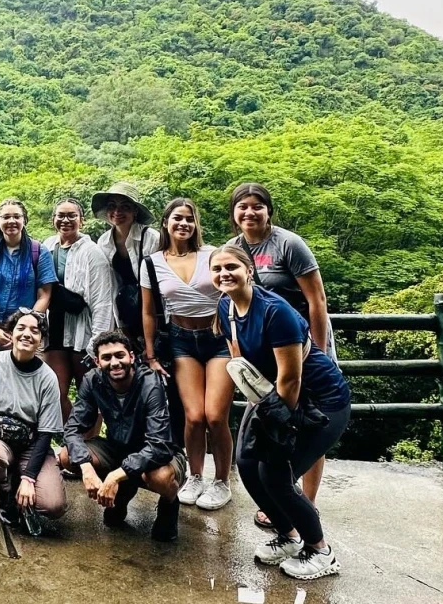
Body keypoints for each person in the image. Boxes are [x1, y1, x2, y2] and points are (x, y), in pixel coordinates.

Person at [211, 245, 351, 580]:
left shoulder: (276, 312)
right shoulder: (226, 306)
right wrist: (258, 409)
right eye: (217, 269)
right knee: (247, 463)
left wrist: (273, 428)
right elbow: (241, 362)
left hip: (321, 402)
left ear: (249, 271)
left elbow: (291, 379)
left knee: (275, 473)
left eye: (231, 267)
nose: (224, 274)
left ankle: (320, 551)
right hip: (272, 396)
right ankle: (288, 535)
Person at [228, 182, 335, 528]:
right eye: (242, 206)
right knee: (273, 417)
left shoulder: (288, 244)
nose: (250, 212)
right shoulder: (234, 248)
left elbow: (317, 299)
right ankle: (280, 496)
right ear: (234, 213)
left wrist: (318, 350)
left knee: (309, 419)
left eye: (257, 206)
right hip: (266, 350)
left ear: (268, 210)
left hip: (305, 343)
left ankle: (307, 501)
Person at [140, 198, 232, 511]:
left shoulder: (212, 255)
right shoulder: (152, 262)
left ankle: (221, 481)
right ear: (165, 223)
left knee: (215, 416)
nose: (183, 224)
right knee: (193, 416)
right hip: (180, 340)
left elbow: (235, 291)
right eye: (177, 218)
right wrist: (151, 354)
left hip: (218, 339)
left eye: (189, 219)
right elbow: (148, 311)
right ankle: (195, 475)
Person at [58, 331, 186, 542]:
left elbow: (159, 445)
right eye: (107, 357)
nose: (115, 363)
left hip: (161, 454)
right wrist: (86, 467)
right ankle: (124, 492)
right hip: (117, 448)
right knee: (67, 456)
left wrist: (115, 476)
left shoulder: (150, 383)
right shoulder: (92, 380)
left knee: (160, 478)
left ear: (131, 357)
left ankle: (169, 503)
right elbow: (72, 429)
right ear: (97, 362)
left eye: (120, 355)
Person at [0, 309, 66, 532]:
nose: (27, 334)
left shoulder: (48, 378)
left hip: (32, 444)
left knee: (53, 506)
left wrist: (29, 478)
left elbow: (46, 433)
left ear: (41, 340)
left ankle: (21, 479)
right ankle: (4, 493)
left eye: (35, 331)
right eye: (21, 328)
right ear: (11, 334)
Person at [41, 197, 111, 421]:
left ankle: (90, 440)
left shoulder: (92, 252)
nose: (66, 220)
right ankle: (72, 436)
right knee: (55, 392)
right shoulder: (47, 246)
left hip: (83, 332)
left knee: (89, 394)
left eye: (72, 215)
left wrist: (98, 343)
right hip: (54, 330)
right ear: (53, 219)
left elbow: (102, 300)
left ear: (82, 220)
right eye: (60, 215)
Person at [0, 198, 57, 354]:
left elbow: (44, 295)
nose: (11, 221)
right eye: (6, 217)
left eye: (16, 216)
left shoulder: (39, 252)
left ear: (24, 220)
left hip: (27, 333)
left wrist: (24, 328)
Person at [91, 181, 161, 345]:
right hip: (125, 309)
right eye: (112, 206)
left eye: (125, 207)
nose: (117, 212)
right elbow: (110, 284)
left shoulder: (151, 238)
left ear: (135, 210)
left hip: (154, 308)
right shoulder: (103, 242)